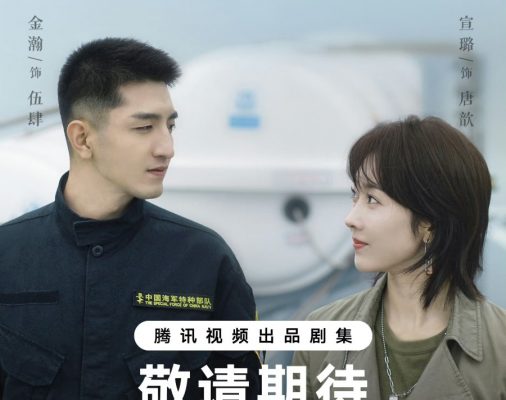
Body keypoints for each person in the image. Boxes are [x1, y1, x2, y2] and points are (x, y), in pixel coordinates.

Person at [0, 38, 260, 399]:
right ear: (82, 138)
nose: (167, 148)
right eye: (144, 128)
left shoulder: (204, 260)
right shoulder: (7, 256)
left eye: (170, 126)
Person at [293, 116, 506, 399]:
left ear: (430, 221)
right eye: (355, 196)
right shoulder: (321, 332)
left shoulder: (499, 347)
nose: (351, 218)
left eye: (372, 199)